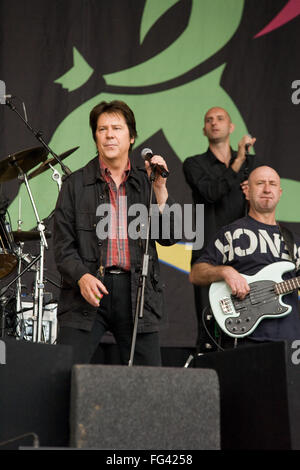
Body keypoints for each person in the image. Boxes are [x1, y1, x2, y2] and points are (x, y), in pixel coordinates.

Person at [53, 100, 178, 365]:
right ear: (95, 137)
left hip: (137, 290)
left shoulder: (147, 183)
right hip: (87, 290)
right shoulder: (75, 184)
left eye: (117, 128)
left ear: (131, 137)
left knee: (148, 384)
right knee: (64, 377)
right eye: (102, 129)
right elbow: (63, 248)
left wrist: (161, 192)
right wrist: (82, 277)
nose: (109, 134)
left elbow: (168, 237)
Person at [189, 165, 300, 348]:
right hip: (245, 338)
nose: (266, 189)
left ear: (279, 193)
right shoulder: (230, 234)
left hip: (290, 341)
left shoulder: (293, 242)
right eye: (260, 183)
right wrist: (226, 271)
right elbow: (196, 273)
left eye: (272, 184)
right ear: (246, 191)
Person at [183, 106, 258, 351]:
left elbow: (265, 205)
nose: (214, 123)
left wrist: (252, 196)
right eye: (209, 120)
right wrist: (237, 161)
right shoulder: (193, 164)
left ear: (231, 127)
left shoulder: (252, 164)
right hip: (207, 251)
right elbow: (211, 193)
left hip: (245, 251)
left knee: (249, 325)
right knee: (209, 329)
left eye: (220, 118)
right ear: (204, 130)